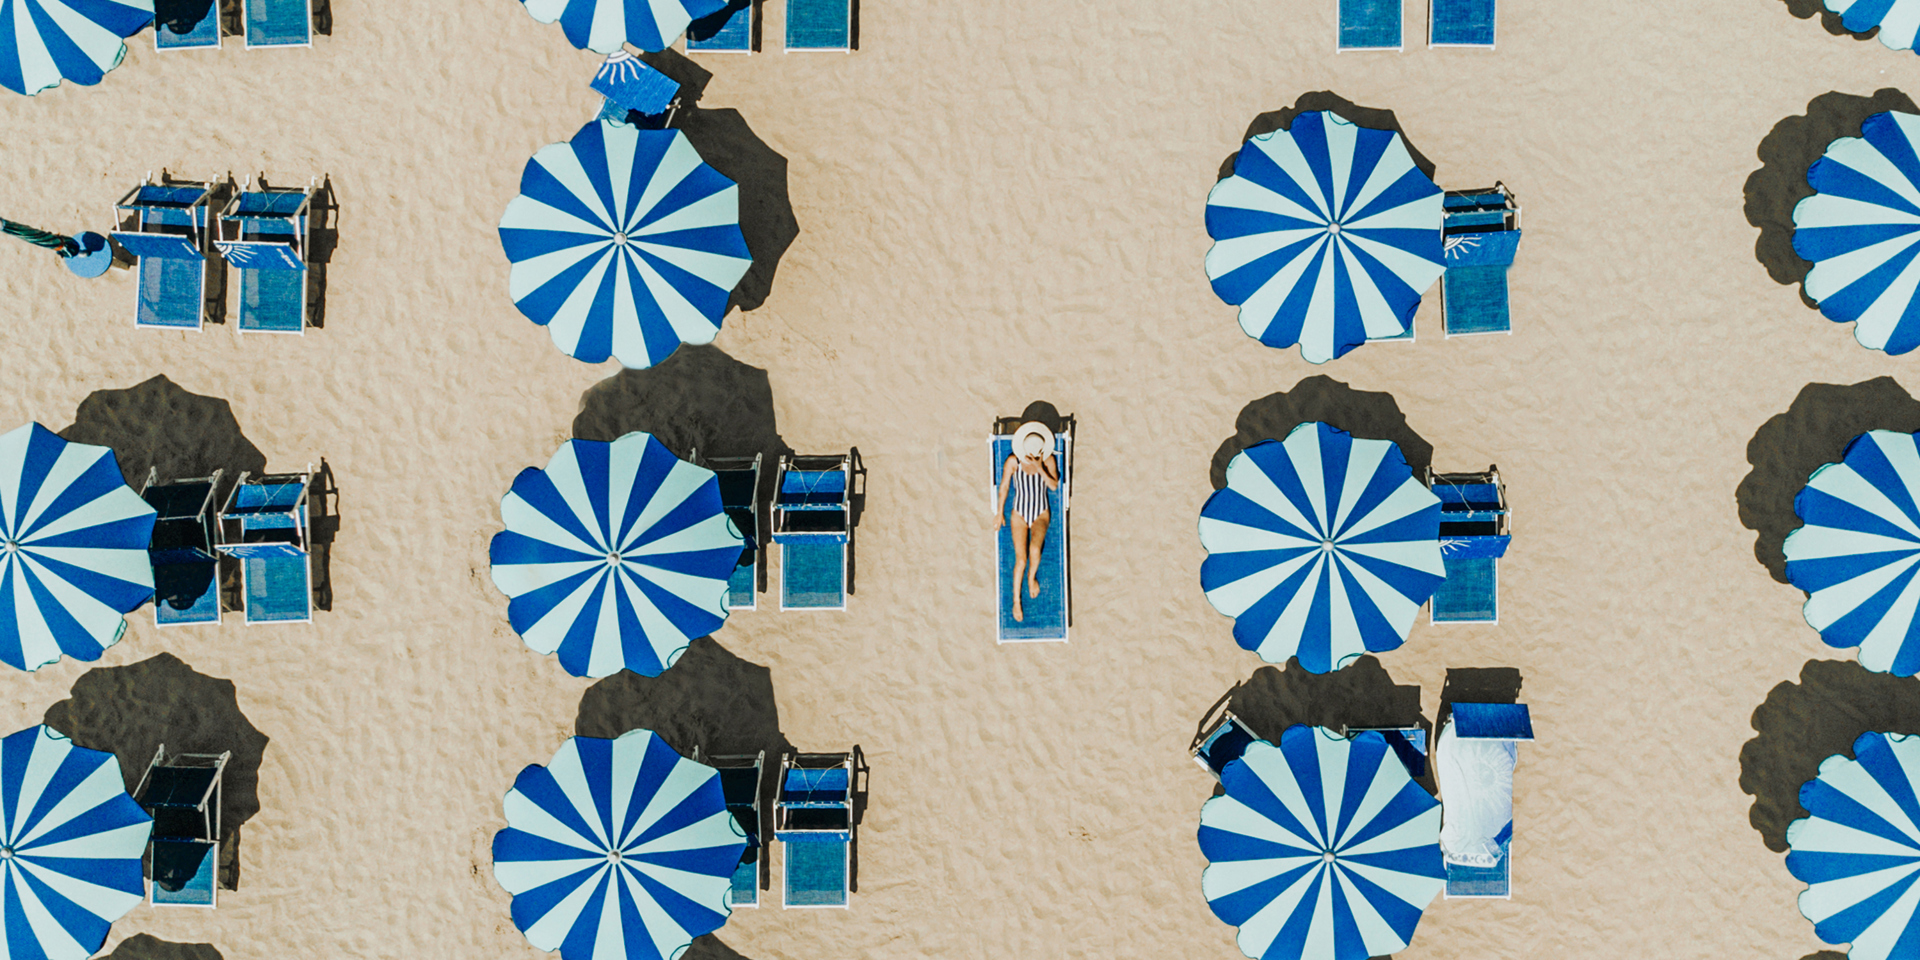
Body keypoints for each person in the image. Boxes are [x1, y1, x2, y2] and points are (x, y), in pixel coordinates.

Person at [995, 422, 1060, 622]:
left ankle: (1031, 578)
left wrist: (1040, 468)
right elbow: (1004, 486)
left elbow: (1054, 486)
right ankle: (1016, 600)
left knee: (1034, 550)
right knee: (1021, 559)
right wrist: (999, 512)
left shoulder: (1048, 459)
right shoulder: (1014, 462)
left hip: (1040, 512)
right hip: (1019, 514)